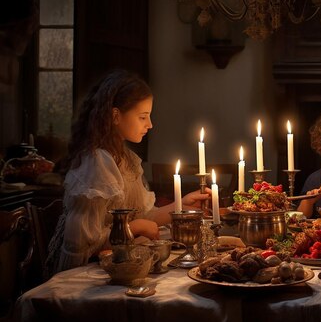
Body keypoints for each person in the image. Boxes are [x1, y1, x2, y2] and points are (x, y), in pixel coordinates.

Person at [45, 70, 211, 276]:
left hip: (115, 266)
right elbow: (83, 246)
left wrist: (181, 206)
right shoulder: (97, 163)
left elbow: (144, 215)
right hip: (86, 274)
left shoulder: (126, 159)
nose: (149, 125)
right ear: (115, 116)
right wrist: (134, 228)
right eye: (143, 117)